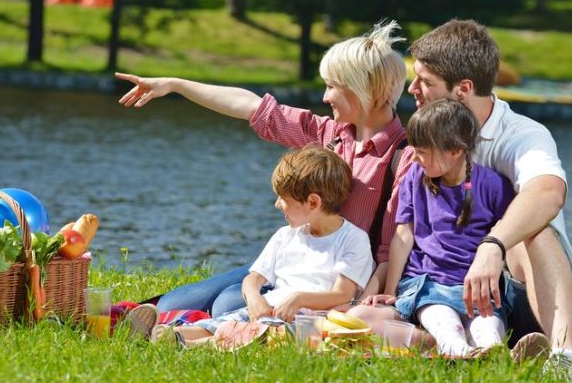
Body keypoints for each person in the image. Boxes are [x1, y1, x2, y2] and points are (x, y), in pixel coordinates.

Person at [116, 21, 412, 317]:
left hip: (335, 281)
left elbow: (388, 251)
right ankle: (151, 317)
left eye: (332, 86)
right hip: (294, 261)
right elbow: (252, 107)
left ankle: (194, 327)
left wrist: (358, 312)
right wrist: (175, 85)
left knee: (227, 304)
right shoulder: (329, 135)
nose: (325, 96)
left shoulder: (403, 157)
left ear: (364, 89)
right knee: (171, 304)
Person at [353, 19, 572, 378]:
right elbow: (404, 229)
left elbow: (549, 192)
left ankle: (564, 356)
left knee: (534, 229)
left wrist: (493, 245)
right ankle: (460, 348)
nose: (412, 89)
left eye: (425, 81)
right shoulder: (427, 143)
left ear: (463, 88)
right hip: (444, 287)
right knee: (365, 319)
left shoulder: (522, 134)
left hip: (526, 291)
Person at [134, 145, 374, 347]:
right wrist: (254, 298)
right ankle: (164, 334)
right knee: (223, 323)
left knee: (265, 335)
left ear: (313, 202)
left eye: (284, 199)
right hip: (270, 310)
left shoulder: (352, 239)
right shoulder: (286, 236)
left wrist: (299, 299)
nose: (277, 205)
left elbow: (342, 294)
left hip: (309, 320)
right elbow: (253, 278)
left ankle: (185, 343)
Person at [363, 99, 515, 357]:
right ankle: (460, 353)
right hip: (428, 285)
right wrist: (390, 291)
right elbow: (403, 235)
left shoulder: (494, 185)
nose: (415, 157)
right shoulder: (415, 176)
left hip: (475, 289)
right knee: (444, 323)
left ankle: (495, 353)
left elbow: (508, 234)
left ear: (455, 150)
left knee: (487, 328)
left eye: (422, 151)